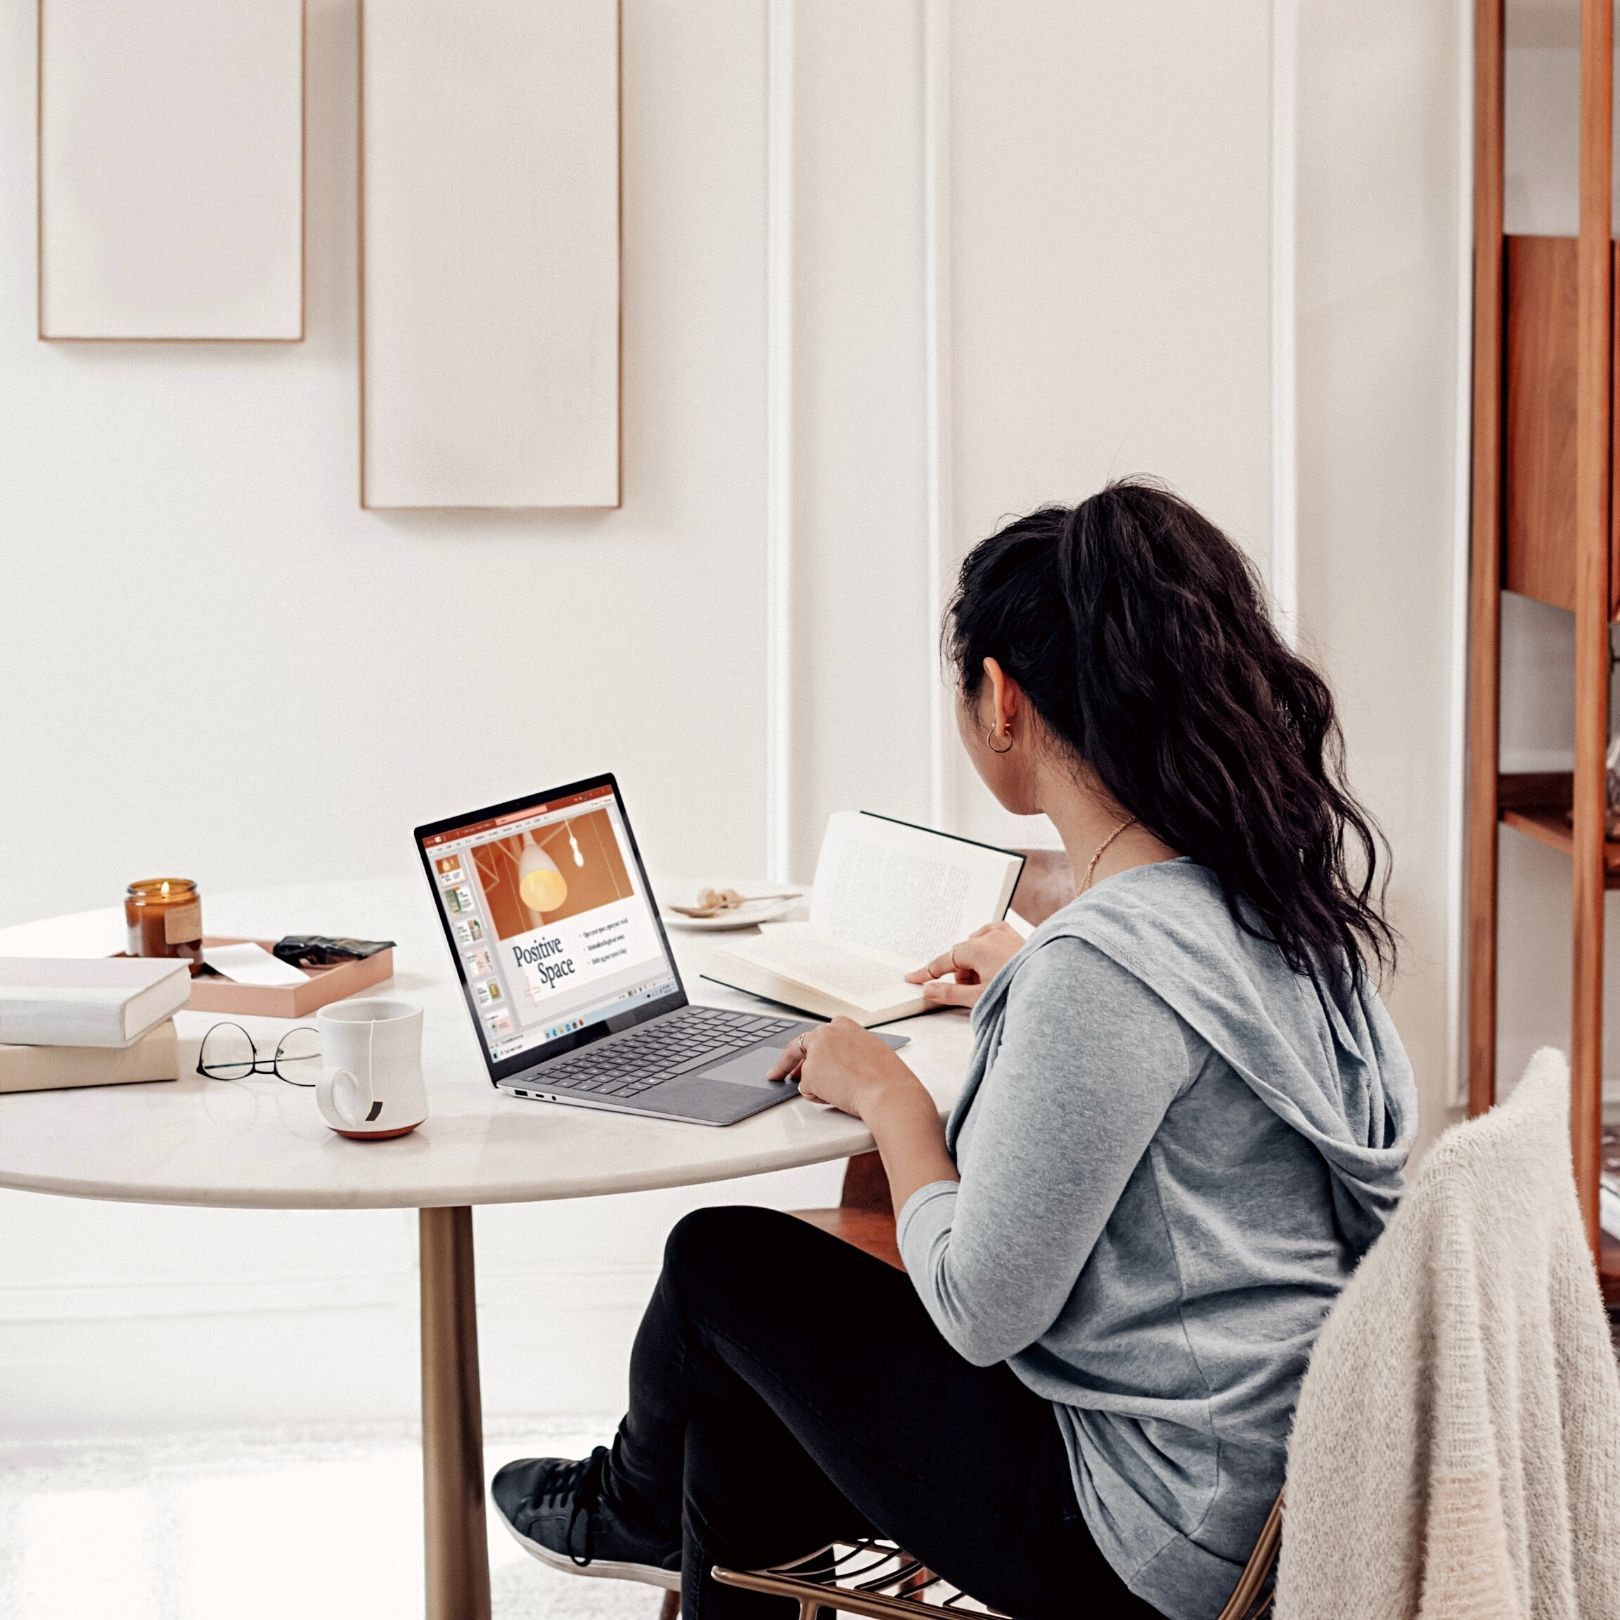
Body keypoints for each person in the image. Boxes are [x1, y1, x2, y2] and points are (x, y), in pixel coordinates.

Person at [490, 479, 1417, 1620]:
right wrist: (1029, 972)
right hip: (1280, 1486)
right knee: (747, 1392)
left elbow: (979, 1307)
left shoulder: (1103, 973)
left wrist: (892, 1101)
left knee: (719, 1267)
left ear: (1002, 699)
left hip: (1154, 1536)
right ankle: (655, 1510)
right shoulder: (1272, 899)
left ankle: (628, 1509)